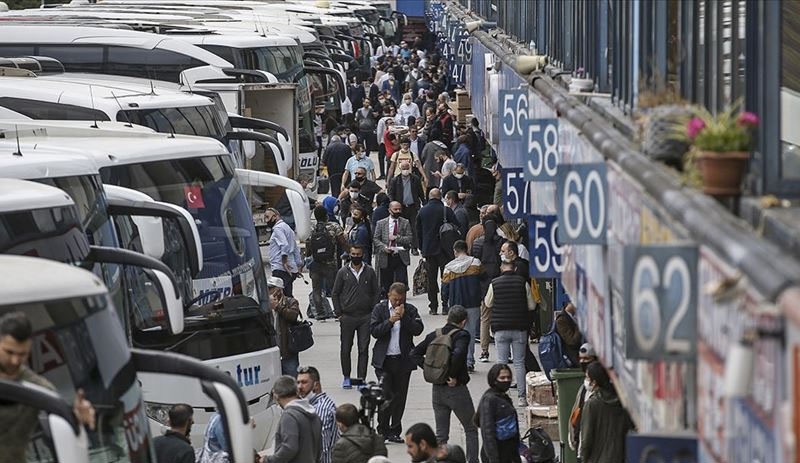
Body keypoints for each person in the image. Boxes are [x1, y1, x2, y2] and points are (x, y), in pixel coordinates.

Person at [0, 312, 96, 462]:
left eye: (22, 354)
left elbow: (62, 415)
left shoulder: (39, 389)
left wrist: (77, 416)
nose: (14, 360)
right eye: (9, 352)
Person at [411, 307, 478, 463]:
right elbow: (460, 354)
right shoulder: (462, 335)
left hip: (437, 389)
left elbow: (414, 353)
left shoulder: (434, 334)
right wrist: (451, 375)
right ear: (464, 321)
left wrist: (432, 371)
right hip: (456, 390)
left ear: (448, 317)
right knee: (470, 428)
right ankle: (472, 460)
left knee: (441, 435)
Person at [370, 282, 424, 442]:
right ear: (388, 296)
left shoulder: (410, 310)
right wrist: (391, 321)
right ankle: (382, 429)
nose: (398, 303)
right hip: (384, 361)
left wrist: (404, 317)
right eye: (395, 300)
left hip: (403, 360)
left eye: (401, 299)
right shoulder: (379, 309)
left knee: (400, 397)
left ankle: (395, 430)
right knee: (386, 395)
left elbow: (418, 329)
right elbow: (374, 331)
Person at [483, 261, 537, 407]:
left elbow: (488, 303)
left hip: (500, 328)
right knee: (519, 363)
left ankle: (501, 395)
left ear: (501, 267)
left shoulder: (494, 283)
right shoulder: (522, 282)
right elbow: (532, 305)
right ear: (515, 268)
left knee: (501, 362)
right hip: (519, 328)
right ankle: (521, 397)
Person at [332, 245, 380, 389]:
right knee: (346, 348)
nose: (356, 256)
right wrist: (338, 313)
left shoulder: (370, 272)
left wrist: (373, 312)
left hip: (365, 317)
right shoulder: (342, 272)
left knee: (363, 348)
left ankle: (360, 379)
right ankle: (346, 377)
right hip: (347, 317)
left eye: (358, 254)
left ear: (363, 255)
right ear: (350, 255)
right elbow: (335, 293)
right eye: (353, 254)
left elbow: (376, 292)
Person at [579, 362, 635, 463]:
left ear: (594, 382)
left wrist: (583, 459)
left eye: (587, 377)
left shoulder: (592, 404)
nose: (586, 380)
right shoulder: (621, 400)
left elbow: (586, 439)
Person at [441, 241, 483, 371]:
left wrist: (445, 302)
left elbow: (445, 288)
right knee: (470, 332)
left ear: (455, 251)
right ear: (467, 249)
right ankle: (469, 361)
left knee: (457, 334)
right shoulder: (476, 263)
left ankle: (460, 360)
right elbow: (483, 280)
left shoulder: (449, 267)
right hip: (473, 302)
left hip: (456, 304)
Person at [416, 188, 457, 315]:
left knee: (431, 280)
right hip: (445, 250)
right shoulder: (447, 210)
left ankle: (433, 306)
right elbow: (456, 226)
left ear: (429, 197)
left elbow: (418, 231)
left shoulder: (422, 211)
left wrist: (422, 248)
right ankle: (446, 305)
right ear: (440, 197)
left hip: (429, 250)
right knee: (445, 279)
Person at [267, 376, 323, 463]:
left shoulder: (289, 416)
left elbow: (289, 448)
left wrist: (269, 460)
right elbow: (319, 449)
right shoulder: (313, 414)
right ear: (297, 392)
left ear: (276, 396)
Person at [472, 219, 505, 362]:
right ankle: (505, 351)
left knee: (485, 318)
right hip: (500, 283)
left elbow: (476, 263)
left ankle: (484, 351)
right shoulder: (502, 243)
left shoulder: (479, 243)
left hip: (485, 285)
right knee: (502, 317)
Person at [474, 364, 521, 463]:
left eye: (508, 378)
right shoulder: (489, 399)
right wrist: (493, 459)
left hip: (510, 451)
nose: (506, 380)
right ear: (494, 379)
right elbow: (487, 432)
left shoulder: (502, 396)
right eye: (502, 378)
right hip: (497, 453)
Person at [307, 206, 346, 320]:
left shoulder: (311, 228)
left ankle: (320, 314)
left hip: (315, 264)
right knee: (334, 288)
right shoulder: (334, 226)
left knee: (317, 289)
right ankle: (337, 311)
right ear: (326, 215)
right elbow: (343, 242)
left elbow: (308, 249)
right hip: (330, 263)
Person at [297, 366, 338, 463]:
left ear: (316, 385)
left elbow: (321, 447)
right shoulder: (312, 405)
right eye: (298, 382)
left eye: (304, 382)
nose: (299, 386)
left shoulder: (321, 409)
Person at [373, 201, 413, 296]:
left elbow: (409, 238)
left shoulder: (405, 222)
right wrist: (384, 248)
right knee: (387, 283)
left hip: (400, 256)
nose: (398, 211)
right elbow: (376, 238)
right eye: (395, 209)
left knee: (400, 282)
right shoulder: (381, 223)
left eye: (399, 209)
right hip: (386, 256)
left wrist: (397, 237)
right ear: (389, 210)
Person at [387, 160, 425, 255]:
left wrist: (424, 203)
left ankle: (414, 247)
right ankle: (403, 245)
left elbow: (420, 192)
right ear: (400, 168)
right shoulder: (395, 180)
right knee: (401, 227)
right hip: (400, 208)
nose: (405, 170)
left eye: (407, 168)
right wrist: (393, 204)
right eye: (403, 168)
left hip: (413, 207)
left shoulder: (415, 179)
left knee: (414, 227)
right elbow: (391, 193)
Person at [266, 208, 303, 297]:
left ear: (275, 216)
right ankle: (294, 310)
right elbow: (294, 248)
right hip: (290, 269)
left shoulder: (278, 229)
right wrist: (298, 265)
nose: (266, 220)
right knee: (287, 296)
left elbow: (285, 245)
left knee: (277, 297)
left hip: (281, 268)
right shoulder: (287, 228)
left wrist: (284, 262)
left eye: (267, 217)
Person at [568, 343, 599, 453]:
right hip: (580, 446)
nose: (582, 362)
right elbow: (576, 413)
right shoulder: (584, 389)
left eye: (586, 359)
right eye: (580, 359)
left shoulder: (599, 394)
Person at [269, 276, 302, 376]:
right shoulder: (264, 304)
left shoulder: (290, 302)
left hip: (287, 351)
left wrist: (278, 307)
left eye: (271, 288)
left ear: (279, 290)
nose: (268, 291)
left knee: (292, 377)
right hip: (272, 351)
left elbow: (293, 316)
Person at [556, 302, 583, 366]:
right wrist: (579, 325)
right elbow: (572, 341)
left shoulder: (573, 316)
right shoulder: (562, 320)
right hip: (573, 356)